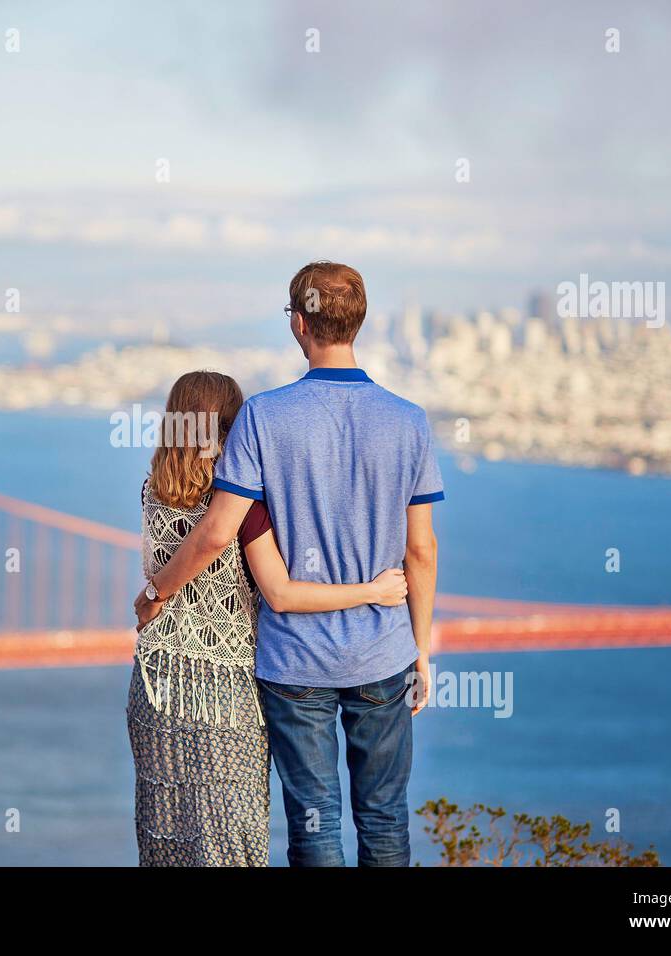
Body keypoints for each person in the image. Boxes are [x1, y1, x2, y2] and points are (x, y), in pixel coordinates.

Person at [135, 262, 444, 866]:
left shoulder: (263, 417)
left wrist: (155, 594)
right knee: (383, 819)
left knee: (315, 823)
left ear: (300, 324)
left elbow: (217, 530)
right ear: (359, 322)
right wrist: (422, 649)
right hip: (383, 652)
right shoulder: (410, 421)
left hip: (293, 659)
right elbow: (422, 550)